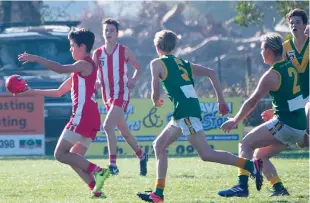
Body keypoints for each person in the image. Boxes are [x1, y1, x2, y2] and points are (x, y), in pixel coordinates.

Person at [136, 29, 263, 203]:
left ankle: (250, 165)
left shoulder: (156, 63)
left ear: (157, 46)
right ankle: (158, 193)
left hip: (185, 111)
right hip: (185, 111)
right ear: (173, 46)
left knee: (206, 154)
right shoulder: (184, 63)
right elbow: (211, 72)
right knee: (159, 145)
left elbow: (154, 91)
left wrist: (156, 99)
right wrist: (221, 100)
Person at [17, 29, 110, 198]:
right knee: (73, 157)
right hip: (91, 115)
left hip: (83, 114)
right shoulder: (80, 69)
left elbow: (60, 69)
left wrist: (35, 58)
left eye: (73, 46)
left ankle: (98, 171)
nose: (71, 50)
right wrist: (32, 91)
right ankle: (96, 190)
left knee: (59, 154)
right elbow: (59, 92)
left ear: (82, 46)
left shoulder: (84, 64)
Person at [218, 33, 307, 198]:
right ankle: (279, 188)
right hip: (299, 127)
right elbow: (293, 98)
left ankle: (241, 187)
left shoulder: (272, 75)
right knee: (259, 156)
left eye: (261, 48)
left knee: (245, 144)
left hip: (285, 125)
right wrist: (275, 111)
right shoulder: (291, 67)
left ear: (269, 51)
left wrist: (235, 120)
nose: (260, 52)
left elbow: (252, 102)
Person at [92, 18, 148, 176]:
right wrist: (96, 82)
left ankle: (113, 165)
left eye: (111, 30)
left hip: (121, 93)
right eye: (106, 30)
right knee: (124, 131)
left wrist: (133, 80)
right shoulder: (98, 53)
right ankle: (142, 156)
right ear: (103, 33)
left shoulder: (124, 50)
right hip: (107, 96)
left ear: (117, 33)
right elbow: (93, 73)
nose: (108, 33)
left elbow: (138, 67)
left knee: (107, 126)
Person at [262, 8, 309, 147]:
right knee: (301, 143)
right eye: (291, 23)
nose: (294, 25)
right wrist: (276, 109)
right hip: (296, 97)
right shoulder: (284, 48)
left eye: (298, 22)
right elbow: (277, 77)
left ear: (305, 24)